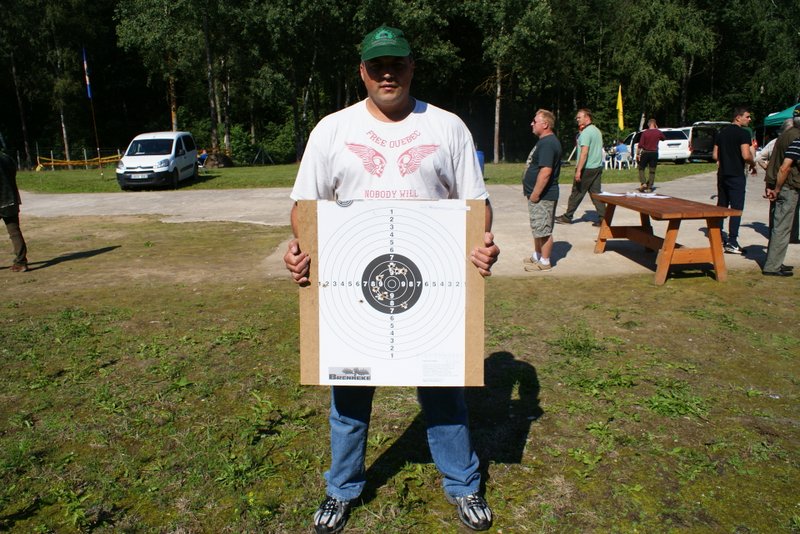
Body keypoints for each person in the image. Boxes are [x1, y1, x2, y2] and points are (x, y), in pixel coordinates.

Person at [283, 25, 500, 533]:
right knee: (349, 396)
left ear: (411, 67)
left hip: (431, 287)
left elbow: (476, 206)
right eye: (377, 65)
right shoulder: (331, 130)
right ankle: (341, 488)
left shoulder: (447, 127)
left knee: (444, 393)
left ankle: (463, 484)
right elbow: (304, 208)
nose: (387, 74)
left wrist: (483, 244)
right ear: (361, 71)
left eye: (396, 64)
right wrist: (300, 249)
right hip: (354, 290)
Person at [712, 107, 756, 254]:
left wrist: (724, 159)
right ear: (738, 117)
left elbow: (715, 155)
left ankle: (717, 236)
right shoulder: (744, 133)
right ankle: (732, 241)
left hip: (722, 174)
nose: (749, 119)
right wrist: (753, 163)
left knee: (721, 206)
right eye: (747, 117)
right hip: (736, 174)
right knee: (736, 209)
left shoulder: (721, 133)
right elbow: (746, 155)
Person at [762, 106, 800, 276]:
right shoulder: (797, 137)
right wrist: (776, 188)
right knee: (782, 228)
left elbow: (774, 162)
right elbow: (785, 167)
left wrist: (770, 185)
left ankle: (775, 261)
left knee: (778, 226)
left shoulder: (785, 134)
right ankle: (773, 266)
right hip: (787, 187)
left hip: (779, 185)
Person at [522, 109, 562, 271]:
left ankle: (545, 262)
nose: (531, 124)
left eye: (535, 121)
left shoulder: (548, 143)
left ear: (545, 124)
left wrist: (535, 194)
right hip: (538, 196)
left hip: (543, 196)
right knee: (537, 227)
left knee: (544, 229)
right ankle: (537, 255)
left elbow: (546, 172)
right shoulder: (544, 141)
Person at [555, 108, 605, 226]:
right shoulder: (597, 131)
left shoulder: (586, 133)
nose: (577, 119)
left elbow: (584, 153)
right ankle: (604, 219)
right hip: (597, 167)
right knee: (596, 194)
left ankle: (567, 217)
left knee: (577, 192)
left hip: (587, 168)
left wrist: (578, 170)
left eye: (579, 117)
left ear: (587, 117)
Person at [0, 151, 28, 272]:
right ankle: (21, 262)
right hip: (10, 199)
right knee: (15, 232)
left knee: (14, 232)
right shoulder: (6, 158)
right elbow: (13, 174)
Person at [636, 119, 666, 192]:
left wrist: (637, 154)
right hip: (654, 153)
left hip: (645, 153)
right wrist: (657, 129)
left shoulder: (645, 133)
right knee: (652, 170)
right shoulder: (658, 132)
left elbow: (640, 144)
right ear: (655, 124)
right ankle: (650, 187)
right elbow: (663, 138)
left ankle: (643, 183)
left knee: (641, 168)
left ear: (648, 124)